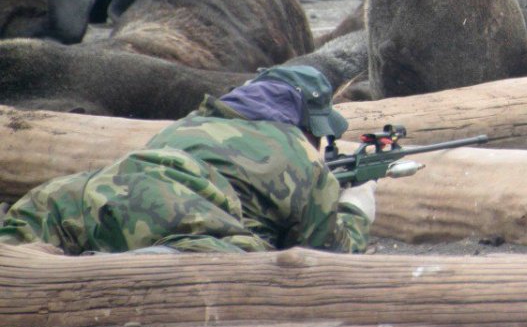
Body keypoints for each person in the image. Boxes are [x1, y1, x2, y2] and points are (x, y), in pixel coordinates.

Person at [0, 65, 376, 254]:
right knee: (254, 263)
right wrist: (357, 209)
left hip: (94, 195)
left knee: (29, 230)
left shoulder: (191, 124)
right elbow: (327, 250)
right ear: (303, 121)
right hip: (187, 223)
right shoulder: (302, 156)